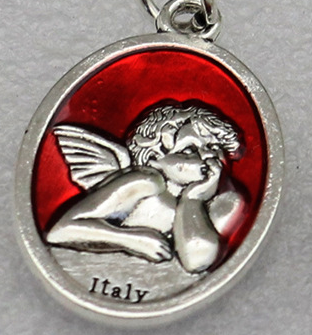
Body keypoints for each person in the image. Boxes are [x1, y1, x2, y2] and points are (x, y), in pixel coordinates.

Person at [45, 101, 244, 274]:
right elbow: (61, 230)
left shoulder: (226, 202)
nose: (206, 158)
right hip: (96, 274)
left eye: (213, 149)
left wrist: (193, 200)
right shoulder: (146, 182)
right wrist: (131, 240)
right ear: (154, 158)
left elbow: (197, 261)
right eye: (189, 150)